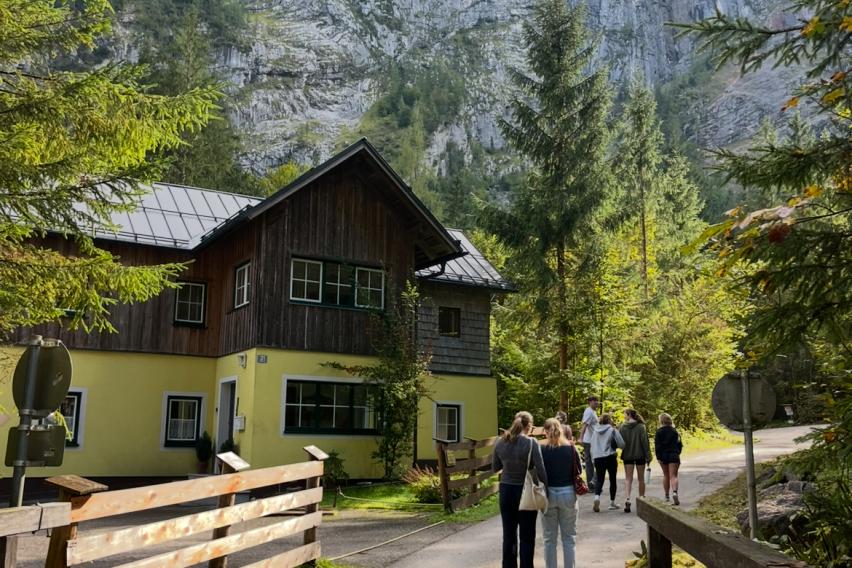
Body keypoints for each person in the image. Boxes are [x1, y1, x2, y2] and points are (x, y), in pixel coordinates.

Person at [493, 411, 548, 568]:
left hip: (506, 491)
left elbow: (495, 467)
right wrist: (547, 492)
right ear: (529, 426)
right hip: (526, 492)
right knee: (527, 536)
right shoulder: (531, 443)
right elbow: (542, 470)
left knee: (508, 535)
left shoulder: (500, 442)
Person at [540, 418, 580, 568]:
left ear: (545, 431)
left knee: (549, 539)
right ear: (561, 430)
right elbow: (579, 470)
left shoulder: (541, 449)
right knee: (569, 538)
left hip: (548, 495)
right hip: (568, 493)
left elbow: (537, 471)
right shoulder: (570, 448)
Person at [590, 412, 624, 512]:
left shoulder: (595, 431)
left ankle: (596, 497)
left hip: (598, 458)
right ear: (609, 420)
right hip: (610, 457)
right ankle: (612, 502)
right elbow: (622, 444)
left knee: (600, 479)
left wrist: (593, 458)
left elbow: (592, 446)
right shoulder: (613, 430)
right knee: (612, 479)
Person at [619, 408, 651, 513]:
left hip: (627, 456)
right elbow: (645, 443)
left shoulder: (623, 427)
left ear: (629, 415)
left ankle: (627, 499)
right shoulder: (641, 427)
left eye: (625, 414)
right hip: (640, 455)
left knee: (628, 479)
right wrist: (648, 456)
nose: (624, 416)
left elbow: (619, 442)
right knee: (641, 479)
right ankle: (641, 500)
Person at [655, 413, 683, 505]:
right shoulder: (675, 431)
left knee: (666, 475)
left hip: (663, 456)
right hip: (674, 455)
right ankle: (674, 492)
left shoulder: (659, 432)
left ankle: (666, 496)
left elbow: (657, 446)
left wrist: (658, 457)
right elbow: (679, 444)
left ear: (661, 421)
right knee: (673, 476)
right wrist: (677, 452)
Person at [579, 396, 599, 491]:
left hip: (593, 441)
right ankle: (591, 485)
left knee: (593, 463)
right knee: (592, 463)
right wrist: (581, 438)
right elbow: (585, 425)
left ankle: (592, 484)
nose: (596, 403)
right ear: (590, 402)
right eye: (594, 401)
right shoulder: (589, 411)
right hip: (589, 441)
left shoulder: (593, 411)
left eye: (597, 401)